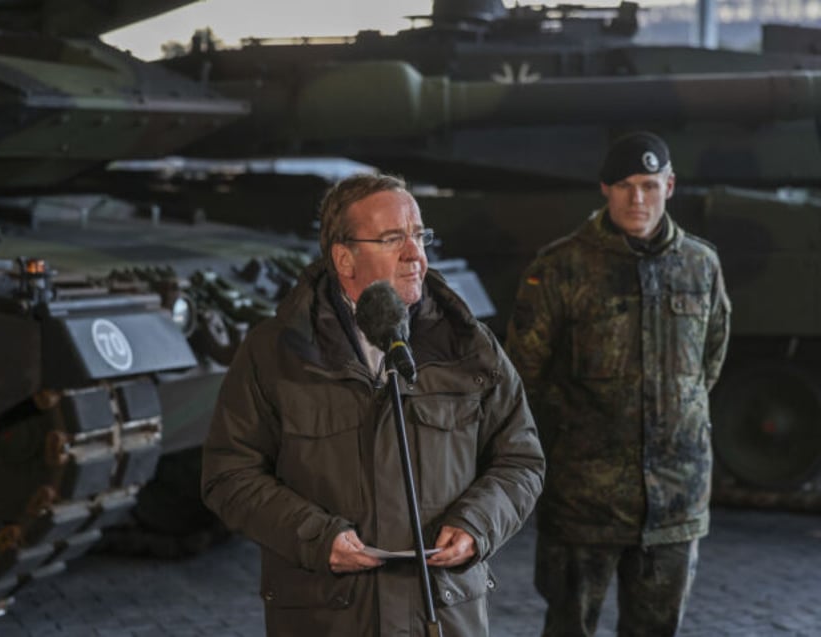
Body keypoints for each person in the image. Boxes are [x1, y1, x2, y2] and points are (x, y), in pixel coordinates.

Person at [202, 173, 545, 636]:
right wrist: (316, 537)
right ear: (345, 258)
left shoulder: (468, 346)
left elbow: (521, 460)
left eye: (419, 236)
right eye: (391, 239)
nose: (415, 255)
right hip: (328, 616)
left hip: (441, 614)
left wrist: (478, 526)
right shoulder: (277, 353)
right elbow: (229, 475)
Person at [506, 131, 731, 637]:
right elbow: (525, 375)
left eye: (650, 185)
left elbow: (707, 363)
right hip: (584, 498)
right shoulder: (560, 267)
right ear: (604, 189)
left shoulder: (701, 265)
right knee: (569, 627)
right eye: (626, 185)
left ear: (670, 186)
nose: (638, 199)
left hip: (676, 500)